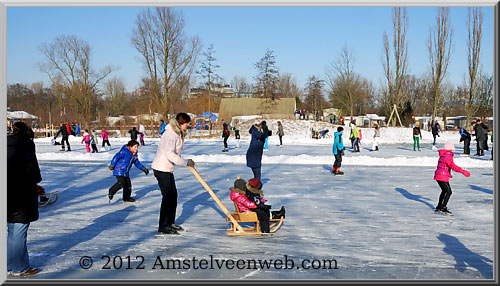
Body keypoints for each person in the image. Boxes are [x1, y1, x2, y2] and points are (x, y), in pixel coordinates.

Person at [151, 113, 195, 235]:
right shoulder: (171, 134)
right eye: (187, 123)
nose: (188, 125)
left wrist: (185, 162)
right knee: (168, 197)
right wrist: (185, 163)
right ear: (180, 123)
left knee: (173, 195)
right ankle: (163, 225)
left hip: (167, 169)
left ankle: (170, 222)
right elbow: (169, 153)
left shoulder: (176, 132)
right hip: (161, 169)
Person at [7, 121, 41, 276]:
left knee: (12, 233)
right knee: (19, 233)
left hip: (7, 194)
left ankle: (9, 264)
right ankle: (19, 268)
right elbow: (35, 175)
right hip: (22, 196)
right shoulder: (26, 145)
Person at [434, 142, 471, 215]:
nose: (454, 150)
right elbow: (453, 166)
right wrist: (463, 171)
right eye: (452, 148)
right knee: (448, 191)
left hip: (440, 176)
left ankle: (439, 206)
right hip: (442, 176)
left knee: (444, 191)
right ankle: (443, 207)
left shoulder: (443, 155)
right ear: (450, 149)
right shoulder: (448, 156)